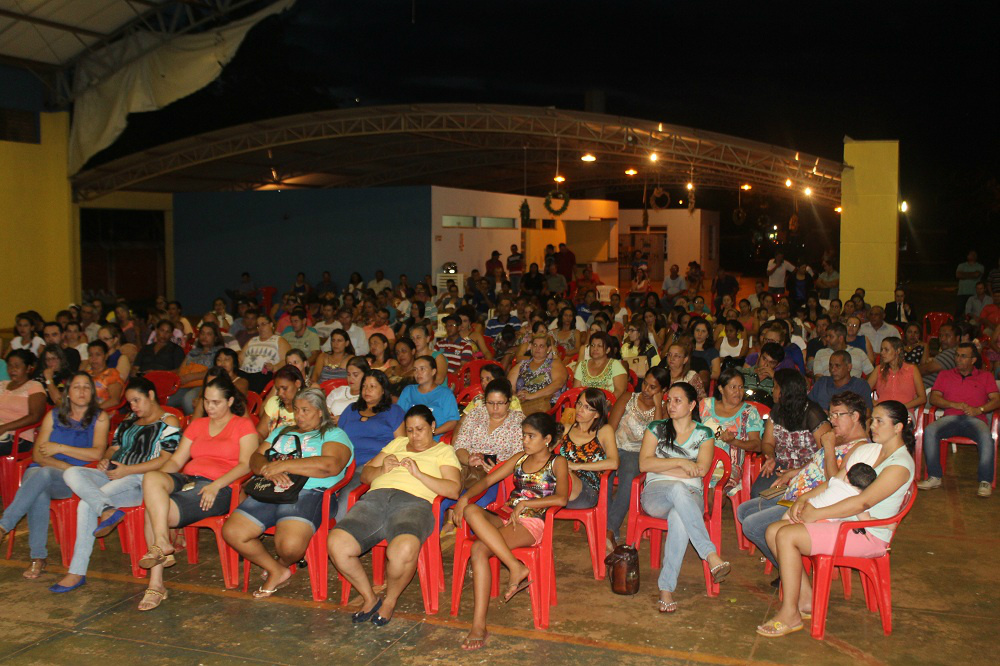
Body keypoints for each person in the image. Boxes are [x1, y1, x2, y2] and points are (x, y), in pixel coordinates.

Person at [757, 400, 915, 637]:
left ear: (898, 427)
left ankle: (790, 614)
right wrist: (805, 498)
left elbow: (863, 502)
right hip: (845, 521)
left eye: (879, 421)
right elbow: (837, 482)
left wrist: (817, 513)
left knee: (787, 535)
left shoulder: (900, 465)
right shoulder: (872, 451)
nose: (872, 426)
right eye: (873, 420)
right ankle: (806, 599)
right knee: (773, 531)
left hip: (867, 532)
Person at [329, 405, 461, 626]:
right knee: (336, 543)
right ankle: (370, 598)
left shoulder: (444, 451)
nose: (414, 436)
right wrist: (382, 470)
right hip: (375, 500)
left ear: (433, 426)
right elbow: (366, 475)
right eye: (410, 430)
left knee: (403, 550)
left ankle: (390, 600)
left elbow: (453, 490)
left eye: (420, 429)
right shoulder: (397, 444)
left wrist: (419, 474)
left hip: (414, 504)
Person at [136, 377, 257, 610]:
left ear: (230, 401)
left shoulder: (242, 425)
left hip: (218, 487)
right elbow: (176, 461)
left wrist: (216, 485)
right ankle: (162, 542)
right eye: (206, 401)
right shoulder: (198, 424)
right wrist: (158, 484)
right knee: (151, 478)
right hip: (188, 480)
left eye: (216, 402)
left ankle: (156, 584)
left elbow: (246, 465)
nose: (209, 407)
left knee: (153, 513)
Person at [452, 411, 568, 649]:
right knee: (471, 510)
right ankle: (515, 566)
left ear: (547, 439)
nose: (525, 440)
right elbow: (487, 481)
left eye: (531, 436)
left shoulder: (557, 462)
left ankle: (478, 626)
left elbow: (562, 498)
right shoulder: (519, 458)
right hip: (506, 514)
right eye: (523, 435)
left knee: (478, 550)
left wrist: (527, 504)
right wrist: (464, 498)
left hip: (531, 521)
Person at [52, 377, 181, 593]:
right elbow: (114, 448)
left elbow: (166, 459)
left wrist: (128, 470)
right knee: (72, 472)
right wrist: (105, 459)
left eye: (137, 400)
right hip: (115, 473)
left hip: (142, 480)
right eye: (130, 402)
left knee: (86, 504)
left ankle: (77, 572)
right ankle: (106, 508)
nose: (133, 406)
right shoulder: (130, 420)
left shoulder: (169, 421)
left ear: (150, 395)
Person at [223, 387, 353, 598]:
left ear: (320, 411)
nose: (299, 415)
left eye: (305, 410)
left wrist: (284, 465)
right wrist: (268, 469)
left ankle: (283, 562)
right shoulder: (282, 431)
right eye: (296, 410)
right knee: (233, 532)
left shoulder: (333, 434)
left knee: (290, 548)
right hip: (271, 489)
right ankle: (277, 570)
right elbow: (256, 458)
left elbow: (331, 465)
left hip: (309, 491)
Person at [737, 391, 870, 567]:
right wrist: (795, 472)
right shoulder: (839, 438)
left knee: (752, 525)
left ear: (855, 416)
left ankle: (790, 570)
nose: (832, 420)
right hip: (795, 492)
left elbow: (835, 483)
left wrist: (829, 447)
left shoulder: (859, 449)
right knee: (743, 511)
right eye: (831, 415)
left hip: (810, 502)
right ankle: (786, 561)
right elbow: (816, 463)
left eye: (838, 415)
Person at [0, 372, 109, 579]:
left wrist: (59, 448)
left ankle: (5, 526)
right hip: (47, 472)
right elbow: (37, 455)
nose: (82, 391)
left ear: (92, 393)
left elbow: (97, 453)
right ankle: (37, 557)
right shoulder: (53, 416)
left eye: (86, 387)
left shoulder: (99, 417)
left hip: (77, 480)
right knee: (40, 486)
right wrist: (64, 466)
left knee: (41, 476)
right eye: (76, 387)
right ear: (67, 393)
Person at [639, 382, 732, 613]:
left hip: (691, 496)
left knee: (679, 517)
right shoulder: (656, 428)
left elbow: (701, 469)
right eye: (669, 400)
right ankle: (710, 555)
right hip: (656, 494)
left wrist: (662, 466)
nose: (670, 405)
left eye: (677, 401)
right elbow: (644, 464)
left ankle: (666, 589)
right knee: (677, 488)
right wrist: (681, 463)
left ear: (691, 405)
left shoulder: (704, 434)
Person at [918, 343, 999, 496]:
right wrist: (953, 404)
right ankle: (934, 476)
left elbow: (996, 400)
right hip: (951, 417)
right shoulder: (945, 375)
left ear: (973, 360)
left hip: (976, 418)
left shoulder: (986, 376)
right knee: (930, 430)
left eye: (963, 356)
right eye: (957, 355)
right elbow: (934, 398)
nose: (958, 359)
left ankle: (985, 481)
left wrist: (979, 409)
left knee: (986, 436)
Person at [606, 367, 667, 548]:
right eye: (645, 384)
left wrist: (658, 406)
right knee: (604, 476)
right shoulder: (628, 398)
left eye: (653, 387)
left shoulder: (664, 409)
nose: (646, 390)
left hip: (637, 454)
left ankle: (609, 529)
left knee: (629, 477)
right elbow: (610, 428)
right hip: (615, 447)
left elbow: (657, 437)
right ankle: (609, 527)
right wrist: (610, 453)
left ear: (663, 390)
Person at [752, 369, 831, 499]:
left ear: (785, 391)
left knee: (787, 497)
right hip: (781, 466)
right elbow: (767, 442)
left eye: (775, 387)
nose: (772, 390)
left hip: (809, 468)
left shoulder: (813, 414)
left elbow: (825, 453)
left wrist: (796, 471)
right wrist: (770, 457)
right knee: (758, 493)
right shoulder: (777, 410)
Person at [699, 367, 765, 493]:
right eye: (733, 387)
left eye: (741, 387)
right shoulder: (705, 405)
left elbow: (757, 445)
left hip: (729, 466)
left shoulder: (749, 412)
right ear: (721, 389)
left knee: (715, 491)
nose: (738, 392)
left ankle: (716, 504)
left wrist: (733, 441)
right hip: (702, 461)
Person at [553, 388, 618, 509]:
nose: (580, 409)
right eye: (579, 403)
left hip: (587, 491)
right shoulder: (567, 429)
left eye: (587, 407)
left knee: (565, 474)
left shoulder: (604, 431)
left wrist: (577, 466)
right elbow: (546, 448)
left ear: (597, 414)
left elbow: (613, 463)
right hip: (561, 482)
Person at [397, 356, 461, 440]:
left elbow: (453, 422)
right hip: (410, 438)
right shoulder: (408, 391)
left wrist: (432, 432)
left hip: (434, 439)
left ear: (433, 371)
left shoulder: (445, 394)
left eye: (422, 369)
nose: (418, 373)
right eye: (415, 369)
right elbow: (398, 417)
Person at [170, 323, 222, 414]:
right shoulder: (193, 352)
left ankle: (195, 422)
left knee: (188, 400)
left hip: (205, 385)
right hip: (186, 384)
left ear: (216, 337)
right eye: (202, 333)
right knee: (168, 400)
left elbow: (216, 371)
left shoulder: (219, 351)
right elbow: (181, 370)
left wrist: (191, 377)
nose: (204, 337)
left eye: (209, 334)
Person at [508, 334, 568, 414]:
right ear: (531, 347)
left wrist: (531, 396)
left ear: (548, 349)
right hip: (523, 406)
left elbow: (558, 384)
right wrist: (516, 396)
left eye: (541, 346)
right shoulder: (521, 365)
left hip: (548, 406)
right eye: (535, 345)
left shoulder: (554, 364)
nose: (537, 348)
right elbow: (509, 386)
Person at [868, 337, 926, 411]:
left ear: (897, 351)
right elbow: (863, 391)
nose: (882, 353)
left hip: (904, 412)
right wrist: (874, 403)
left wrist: (902, 407)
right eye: (881, 350)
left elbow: (922, 398)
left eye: (886, 350)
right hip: (882, 412)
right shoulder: (878, 369)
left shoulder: (912, 369)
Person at [238, 314, 291, 394]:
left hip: (263, 374)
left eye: (263, 324)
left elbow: (286, 360)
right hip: (244, 373)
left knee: (258, 379)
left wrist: (274, 367)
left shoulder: (279, 340)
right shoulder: (252, 340)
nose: (260, 328)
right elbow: (240, 358)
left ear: (271, 324)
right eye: (258, 326)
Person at [809, 350, 873, 412]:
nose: (833, 369)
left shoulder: (860, 385)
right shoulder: (822, 383)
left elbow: (867, 412)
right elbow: (807, 406)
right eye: (831, 366)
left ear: (849, 367)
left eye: (837, 366)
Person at [574, 332, 628, 400]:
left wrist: (606, 403)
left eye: (599, 346)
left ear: (607, 350)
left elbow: (620, 391)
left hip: (609, 404)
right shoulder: (582, 365)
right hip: (585, 403)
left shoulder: (615, 365)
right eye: (592, 345)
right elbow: (576, 390)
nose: (595, 348)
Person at [257, 365, 306, 439]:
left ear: (297, 383)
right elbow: (260, 433)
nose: (280, 393)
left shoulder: (308, 408)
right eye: (278, 389)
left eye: (284, 388)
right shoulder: (274, 402)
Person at [325, 357, 370, 422]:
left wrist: (344, 419)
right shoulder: (339, 391)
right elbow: (325, 412)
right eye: (348, 375)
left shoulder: (369, 397)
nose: (351, 378)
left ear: (365, 375)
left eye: (355, 375)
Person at [918, 322, 958, 392]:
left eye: (947, 336)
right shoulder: (944, 353)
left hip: (928, 390)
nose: (942, 339)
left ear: (957, 338)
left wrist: (908, 371)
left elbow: (928, 369)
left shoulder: (954, 352)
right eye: (940, 336)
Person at [86, 341, 124, 410]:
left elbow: (114, 400)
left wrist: (92, 412)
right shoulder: (85, 374)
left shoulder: (111, 374)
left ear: (106, 356)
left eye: (98, 355)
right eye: (90, 355)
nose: (94, 358)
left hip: (103, 412)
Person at [690, 319, 721, 388]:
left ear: (708, 335)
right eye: (697, 330)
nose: (699, 334)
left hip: (703, 384)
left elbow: (716, 374)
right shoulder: (687, 348)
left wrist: (699, 376)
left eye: (703, 331)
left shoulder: (712, 351)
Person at [955, 250, 985, 318]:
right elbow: (958, 275)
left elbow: (976, 275)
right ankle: (957, 323)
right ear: (967, 256)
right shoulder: (961, 265)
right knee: (959, 310)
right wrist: (972, 274)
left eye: (974, 254)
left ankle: (971, 323)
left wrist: (964, 275)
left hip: (974, 293)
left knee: (973, 311)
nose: (973, 256)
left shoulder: (980, 266)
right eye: (971, 254)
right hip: (962, 293)